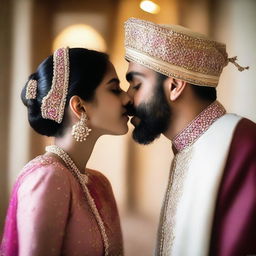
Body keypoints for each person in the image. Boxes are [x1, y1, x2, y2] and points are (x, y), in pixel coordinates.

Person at [124, 18, 256, 256]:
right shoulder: (188, 147)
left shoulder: (246, 145)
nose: (127, 99)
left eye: (136, 84)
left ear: (174, 86)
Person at [0, 47, 131, 256]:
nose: (127, 99)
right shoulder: (48, 178)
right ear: (80, 107)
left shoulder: (99, 182)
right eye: (115, 89)